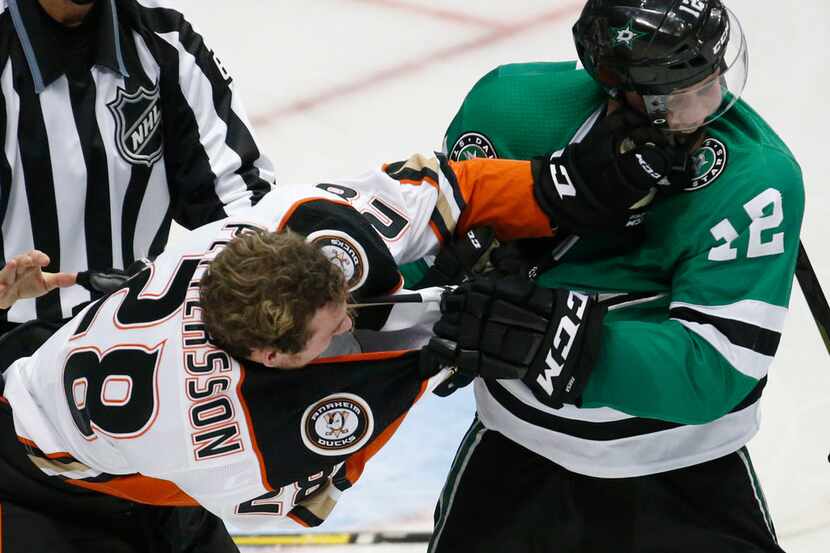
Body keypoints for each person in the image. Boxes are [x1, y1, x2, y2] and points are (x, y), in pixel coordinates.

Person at [0, 146, 654, 550]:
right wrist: (428, 358)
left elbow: (450, 186)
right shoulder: (225, 438)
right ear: (271, 356)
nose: (348, 320)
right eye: (330, 328)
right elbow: (310, 497)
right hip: (33, 480)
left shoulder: (291, 221)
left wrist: (558, 190)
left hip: (69, 386)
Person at [425, 1, 805, 552]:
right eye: (679, 93)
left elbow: (716, 368)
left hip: (688, 472)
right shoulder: (512, 110)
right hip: (519, 455)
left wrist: (554, 342)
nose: (710, 103)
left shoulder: (754, 176)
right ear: (616, 84)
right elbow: (431, 238)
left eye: (714, 75)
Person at [0, 0, 275, 333]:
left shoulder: (162, 37)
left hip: (139, 334)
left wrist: (252, 281)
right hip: (12, 350)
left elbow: (239, 197)